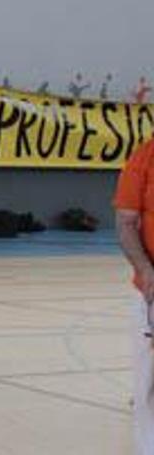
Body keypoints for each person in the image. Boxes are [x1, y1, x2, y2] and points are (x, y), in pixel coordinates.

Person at [114, 137, 154, 455]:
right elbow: (126, 222)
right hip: (151, 295)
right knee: (149, 391)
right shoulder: (145, 156)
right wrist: (144, 268)